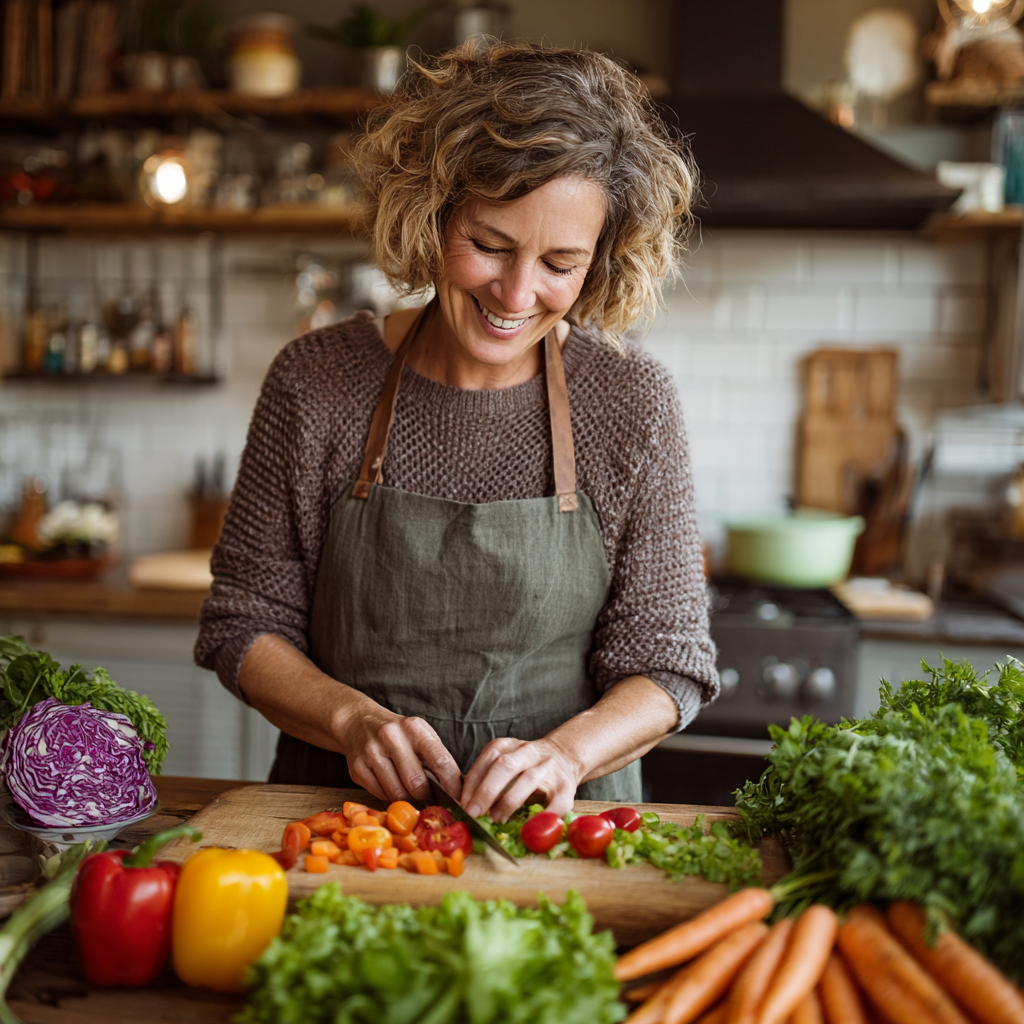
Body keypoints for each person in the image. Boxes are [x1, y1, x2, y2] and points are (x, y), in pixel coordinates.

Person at [195, 41, 718, 823]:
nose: (516, 293)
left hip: (555, 836)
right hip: (343, 825)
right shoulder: (316, 382)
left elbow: (670, 660)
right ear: (430, 213)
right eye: (490, 246)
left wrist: (568, 753)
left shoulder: (632, 401)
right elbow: (245, 621)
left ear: (600, 262)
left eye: (560, 263)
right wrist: (350, 721)